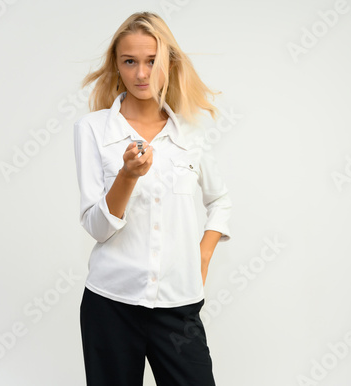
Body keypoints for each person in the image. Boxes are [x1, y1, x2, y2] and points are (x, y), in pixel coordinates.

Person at [73, 11, 232, 386]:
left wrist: (203, 254)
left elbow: (220, 200)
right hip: (110, 303)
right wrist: (127, 176)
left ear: (168, 63)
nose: (141, 74)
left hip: (179, 305)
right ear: (117, 65)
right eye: (130, 62)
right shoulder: (92, 130)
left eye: (151, 61)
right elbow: (96, 227)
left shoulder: (191, 132)